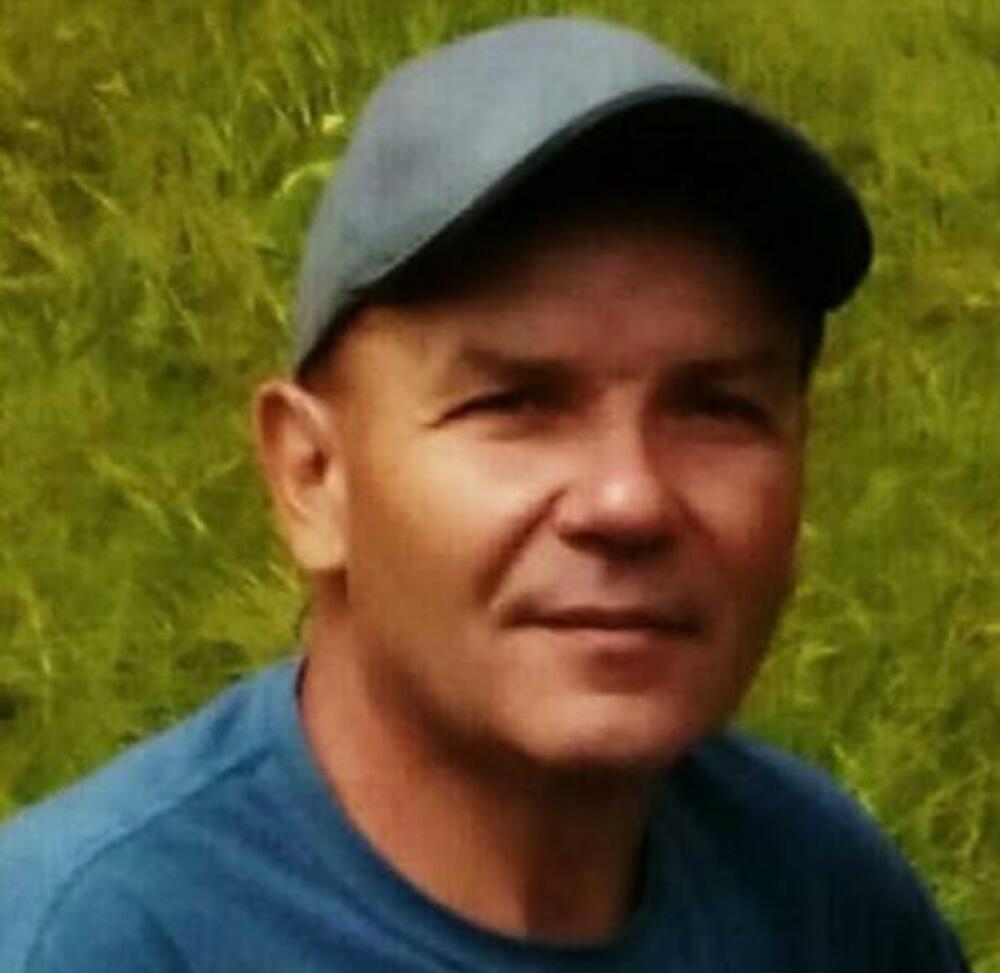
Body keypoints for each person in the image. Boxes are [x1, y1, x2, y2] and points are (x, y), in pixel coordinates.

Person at [0, 15, 970, 972]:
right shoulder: (91, 939)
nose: (628, 500)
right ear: (312, 476)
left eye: (717, 408)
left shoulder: (817, 894)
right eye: (515, 404)